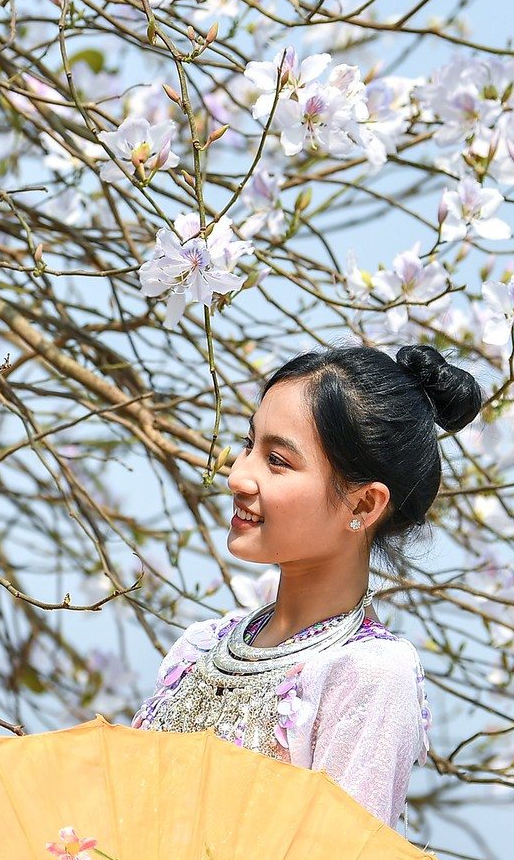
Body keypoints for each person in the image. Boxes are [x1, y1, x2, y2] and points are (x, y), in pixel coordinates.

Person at [133, 343, 482, 829]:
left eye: (276, 460)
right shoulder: (196, 648)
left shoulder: (368, 673)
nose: (237, 475)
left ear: (363, 506)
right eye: (248, 443)